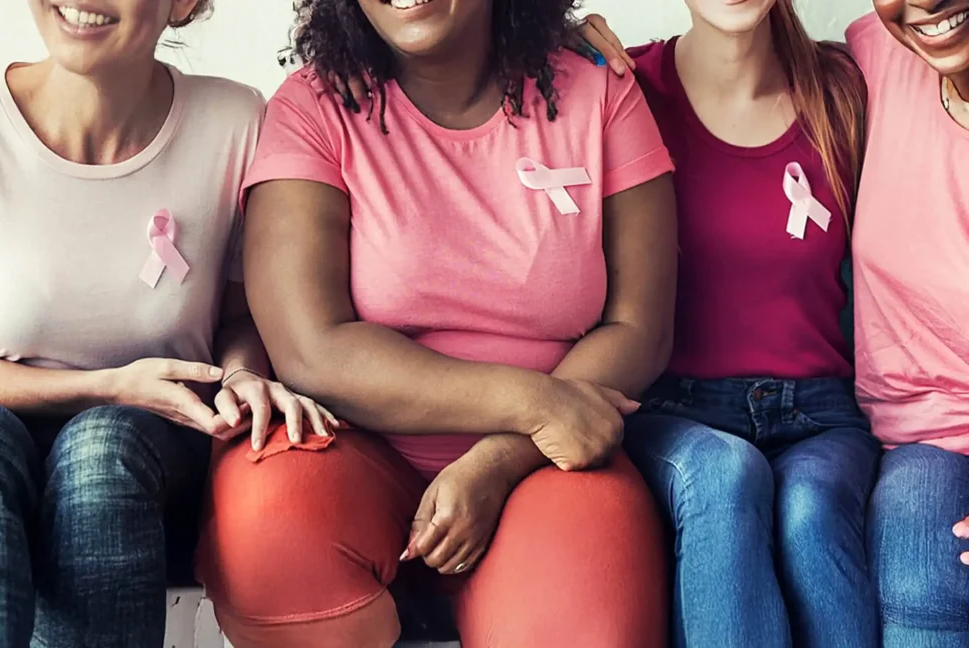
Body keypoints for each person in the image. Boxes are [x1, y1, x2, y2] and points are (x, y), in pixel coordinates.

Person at [193, 0, 679, 645]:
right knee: (267, 520)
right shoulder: (313, 106)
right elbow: (311, 348)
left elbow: (640, 327)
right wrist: (533, 404)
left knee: (587, 601)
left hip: (550, 462)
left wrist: (500, 459)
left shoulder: (598, 88)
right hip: (355, 446)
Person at [0, 1, 333, 646]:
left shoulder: (236, 121)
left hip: (160, 439)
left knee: (101, 446)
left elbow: (241, 315)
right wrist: (108, 383)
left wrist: (239, 374)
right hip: (1, 425)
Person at [580, 1, 879, 646]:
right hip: (673, 407)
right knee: (723, 474)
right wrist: (556, 37)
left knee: (811, 509)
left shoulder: (848, 89)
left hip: (820, 415)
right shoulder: (623, 87)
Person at [840, 2, 969, 646]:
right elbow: (725, 64)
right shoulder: (877, 58)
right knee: (924, 587)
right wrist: (575, 46)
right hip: (922, 433)